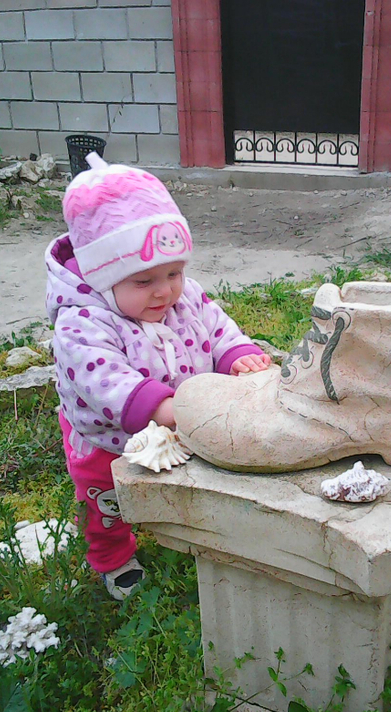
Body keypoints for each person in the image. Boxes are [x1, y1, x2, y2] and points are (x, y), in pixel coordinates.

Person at [45, 153, 271, 600]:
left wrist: (237, 354)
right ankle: (112, 556)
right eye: (144, 281)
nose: (165, 290)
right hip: (107, 439)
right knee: (105, 502)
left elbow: (217, 327)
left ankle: (188, 529)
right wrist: (168, 408)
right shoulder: (81, 323)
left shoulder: (182, 297)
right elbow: (105, 381)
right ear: (103, 278)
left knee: (189, 478)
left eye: (174, 273)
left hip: (179, 423)